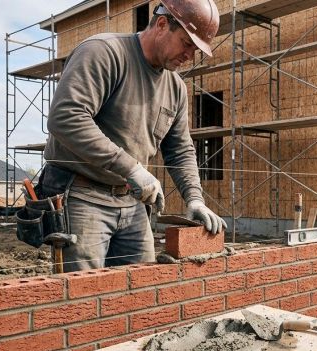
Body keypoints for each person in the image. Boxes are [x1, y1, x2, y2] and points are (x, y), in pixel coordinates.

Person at [41, 0, 226, 272]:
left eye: (196, 50)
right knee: (83, 294)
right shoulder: (105, 53)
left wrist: (194, 198)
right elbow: (66, 117)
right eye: (187, 43)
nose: (190, 55)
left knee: (138, 291)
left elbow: (181, 149)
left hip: (132, 203)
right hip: (82, 195)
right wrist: (132, 169)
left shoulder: (174, 87)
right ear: (162, 24)